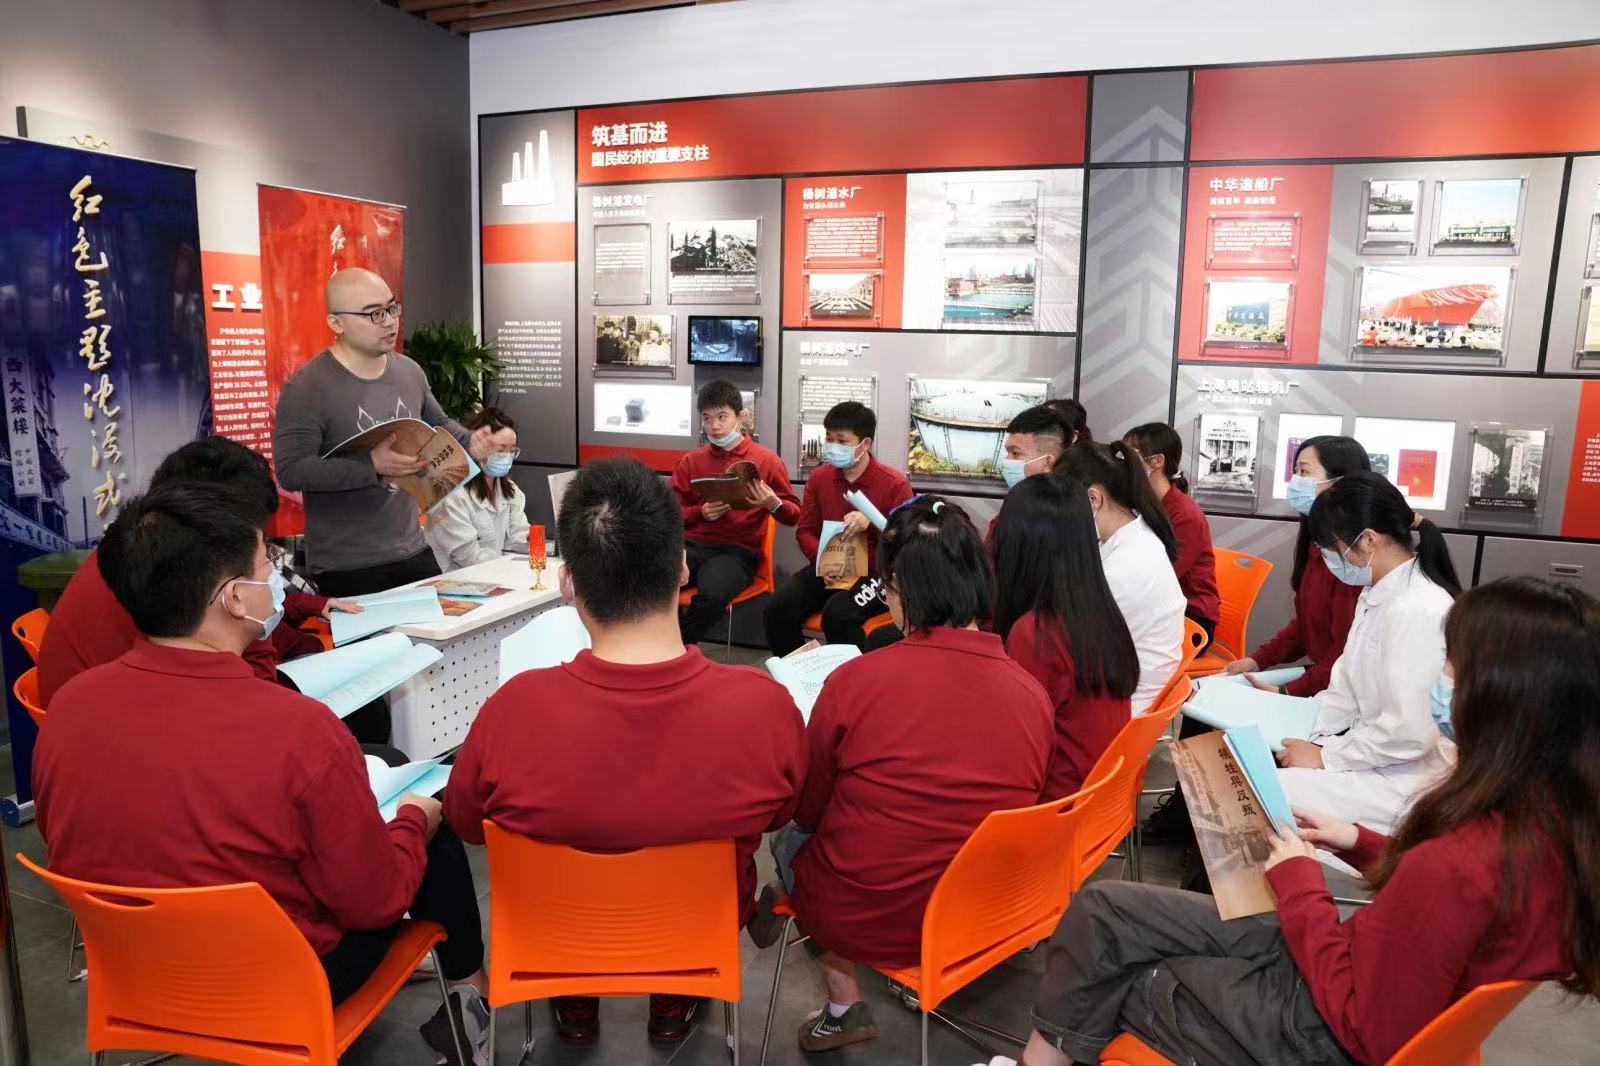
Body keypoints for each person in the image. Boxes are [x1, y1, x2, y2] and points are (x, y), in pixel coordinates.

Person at [976, 576, 1598, 1066]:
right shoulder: (1553, 825)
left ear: (1499, 696)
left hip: (1318, 1026)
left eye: (1452, 665)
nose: (1441, 682)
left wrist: (1299, 879)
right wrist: (1358, 842)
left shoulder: (1460, 861)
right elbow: (1438, 919)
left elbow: (1363, 1025)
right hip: (1355, 974)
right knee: (1108, 911)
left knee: (1123, 969)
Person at [34, 484, 490, 1065]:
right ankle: (471, 1003)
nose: (275, 576)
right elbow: (374, 903)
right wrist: (410, 824)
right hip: (281, 982)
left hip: (134, 974)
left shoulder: (70, 706)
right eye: (265, 564)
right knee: (426, 817)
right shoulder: (298, 729)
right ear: (232, 598)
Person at [445, 457, 805, 1046]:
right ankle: (674, 994)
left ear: (568, 583)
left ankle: (574, 997)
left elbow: (466, 823)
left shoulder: (511, 710)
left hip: (553, 932)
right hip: (700, 927)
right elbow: (782, 815)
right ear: (682, 565)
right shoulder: (763, 706)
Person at [771, 497, 1052, 1053]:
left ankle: (843, 1005)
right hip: (985, 917)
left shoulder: (856, 681)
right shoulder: (1031, 694)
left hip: (870, 916)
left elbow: (808, 807)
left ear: (898, 587)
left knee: (789, 842)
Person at [36, 437, 360, 706]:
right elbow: (252, 691)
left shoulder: (136, 553)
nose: (262, 559)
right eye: (257, 543)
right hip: (134, 729)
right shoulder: (174, 580)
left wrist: (309, 617)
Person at [272, 267, 493, 597]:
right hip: (347, 565)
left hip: (413, 548)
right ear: (336, 323)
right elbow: (292, 471)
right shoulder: (307, 388)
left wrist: (473, 442)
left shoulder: (408, 371)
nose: (389, 321)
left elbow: (439, 424)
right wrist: (370, 465)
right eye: (374, 314)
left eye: (392, 308)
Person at [1275, 471, 1461, 837]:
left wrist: (1326, 756)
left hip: (1410, 778)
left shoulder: (1417, 608)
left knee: (1268, 793)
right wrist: (1299, 730)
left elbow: (1410, 733)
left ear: (1369, 540)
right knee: (1260, 771)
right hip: (1377, 755)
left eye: (1330, 548)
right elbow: (1344, 692)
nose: (1327, 559)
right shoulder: (1378, 593)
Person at [994, 473, 1138, 799]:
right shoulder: (1098, 611)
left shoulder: (1036, 633)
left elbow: (1013, 748)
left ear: (1019, 546)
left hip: (1052, 808)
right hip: (1094, 800)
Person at [1225, 435, 1370, 698]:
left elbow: (1346, 651)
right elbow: (1306, 627)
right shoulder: (1318, 545)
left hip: (1343, 689)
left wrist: (1288, 691)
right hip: (1326, 678)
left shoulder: (1353, 561)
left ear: (1340, 483)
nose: (1296, 481)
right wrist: (1256, 661)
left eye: (1304, 472)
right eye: (1295, 472)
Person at [763, 401, 912, 654]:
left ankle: (852, 676)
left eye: (842, 441)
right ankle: (803, 671)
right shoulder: (819, 479)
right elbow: (805, 531)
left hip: (877, 574)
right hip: (828, 566)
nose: (833, 447)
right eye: (829, 439)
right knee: (777, 609)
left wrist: (872, 523)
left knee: (838, 615)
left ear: (865, 444)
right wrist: (824, 562)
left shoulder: (894, 484)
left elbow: (906, 543)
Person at [1055, 442, 1185, 716]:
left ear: (1094, 499)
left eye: (1062, 504)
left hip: (1122, 710)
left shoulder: (1125, 568)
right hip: (1126, 689)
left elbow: (1069, 651)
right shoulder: (1133, 534)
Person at [669, 379, 799, 645]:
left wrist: (772, 503)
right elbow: (670, 513)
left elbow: (794, 515)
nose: (714, 426)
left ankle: (673, 650)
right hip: (691, 545)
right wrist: (701, 513)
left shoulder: (767, 461)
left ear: (741, 417)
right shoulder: (691, 461)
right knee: (645, 581)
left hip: (737, 551)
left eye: (721, 417)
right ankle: (650, 648)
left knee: (712, 596)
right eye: (707, 418)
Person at [1124, 422, 1219, 645]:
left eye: (1130, 456)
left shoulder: (1186, 515)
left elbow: (1159, 578)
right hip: (1157, 610)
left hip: (1191, 620)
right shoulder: (1144, 504)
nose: (1123, 463)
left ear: (1157, 461)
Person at [424, 405, 531, 571]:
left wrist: (529, 543)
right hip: (457, 581)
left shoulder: (510, 490)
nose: (507, 457)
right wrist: (507, 566)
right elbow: (468, 557)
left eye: (512, 451)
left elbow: (519, 539)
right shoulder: (449, 493)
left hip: (499, 576)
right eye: (501, 450)